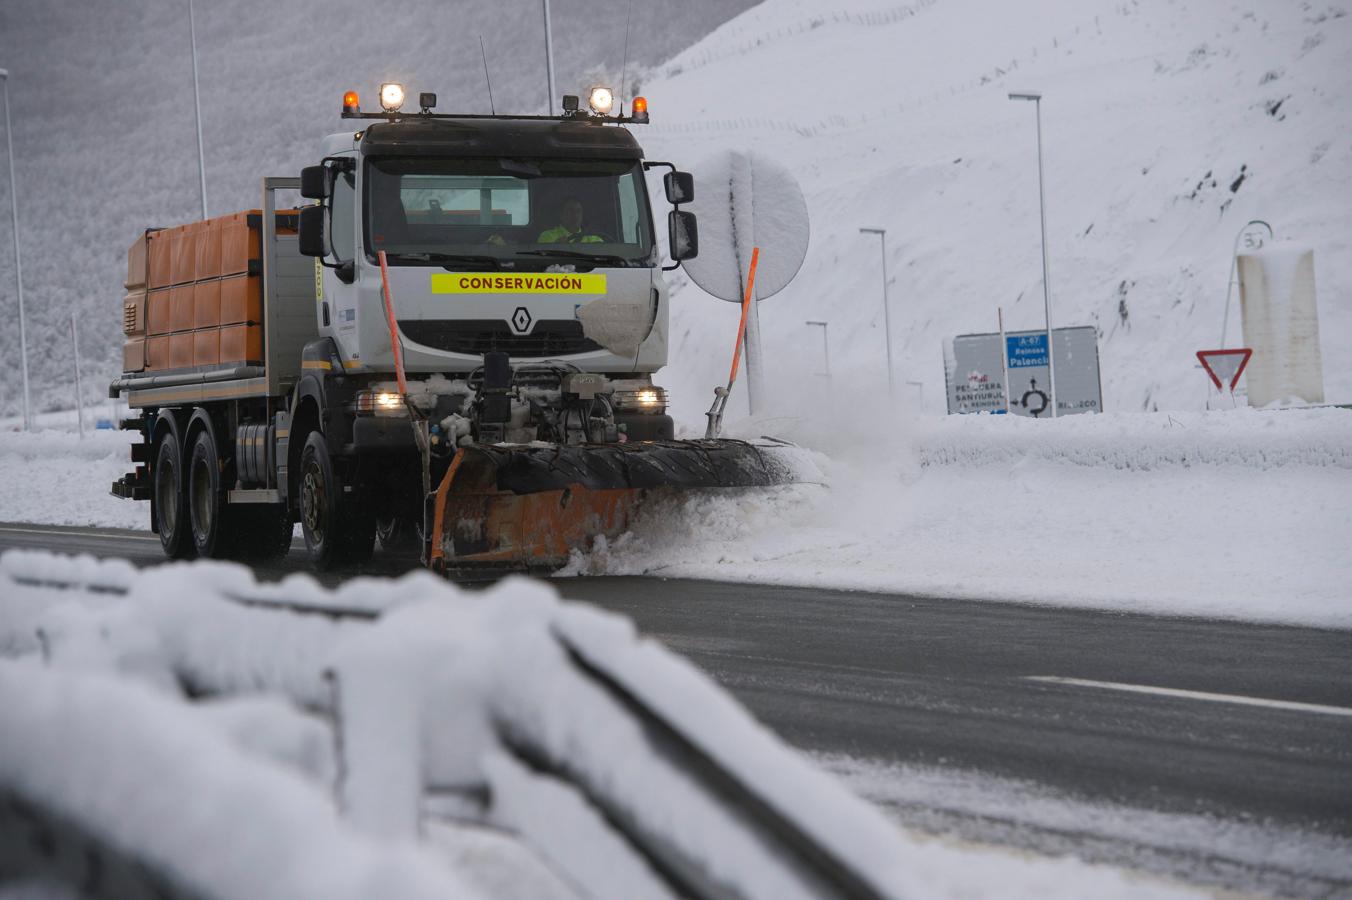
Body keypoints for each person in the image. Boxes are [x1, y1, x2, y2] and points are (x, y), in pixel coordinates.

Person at [537, 198, 604, 243]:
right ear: (561, 215)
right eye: (570, 211)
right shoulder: (547, 236)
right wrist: (556, 247)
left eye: (578, 211)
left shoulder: (594, 239)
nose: (575, 215)